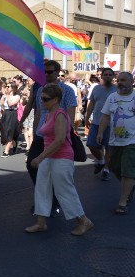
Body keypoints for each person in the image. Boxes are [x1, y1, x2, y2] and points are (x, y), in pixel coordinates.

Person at [25, 85, 94, 235]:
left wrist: (40, 157)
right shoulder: (48, 114)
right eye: (41, 98)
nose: (42, 101)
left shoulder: (60, 115)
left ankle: (84, 221)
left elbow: (60, 140)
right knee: (42, 188)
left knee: (64, 190)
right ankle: (41, 222)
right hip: (49, 156)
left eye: (45, 99)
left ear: (56, 99)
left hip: (62, 157)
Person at [27, 60, 77, 216]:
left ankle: (53, 204)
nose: (46, 75)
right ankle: (45, 203)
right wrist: (35, 134)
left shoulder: (67, 91)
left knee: (59, 178)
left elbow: (70, 114)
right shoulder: (41, 89)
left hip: (57, 139)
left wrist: (65, 134)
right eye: (44, 72)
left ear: (57, 72)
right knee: (32, 165)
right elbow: (38, 113)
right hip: (41, 136)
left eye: (49, 72)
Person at [97, 71, 135, 215]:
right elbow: (106, 116)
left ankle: (123, 202)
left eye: (124, 80)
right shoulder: (112, 97)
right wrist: (100, 132)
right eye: (118, 80)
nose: (120, 82)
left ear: (132, 82)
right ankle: (130, 186)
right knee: (114, 167)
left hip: (132, 141)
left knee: (128, 170)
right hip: (115, 141)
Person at [85, 67, 116, 181]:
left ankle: (107, 170)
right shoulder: (96, 88)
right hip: (96, 122)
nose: (108, 76)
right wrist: (87, 117)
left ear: (113, 77)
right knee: (91, 144)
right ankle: (101, 160)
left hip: (111, 124)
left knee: (108, 148)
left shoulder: (117, 89)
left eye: (110, 75)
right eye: (106, 74)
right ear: (101, 76)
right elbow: (91, 104)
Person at [0, 83, 21, 157]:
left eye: (8, 86)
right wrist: (3, 95)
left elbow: (11, 104)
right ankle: (14, 142)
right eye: (6, 86)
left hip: (12, 114)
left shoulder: (17, 96)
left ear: (12, 88)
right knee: (4, 130)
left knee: (10, 131)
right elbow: (1, 104)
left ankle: (6, 151)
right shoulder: (5, 96)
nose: (7, 88)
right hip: (5, 113)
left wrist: (8, 96)